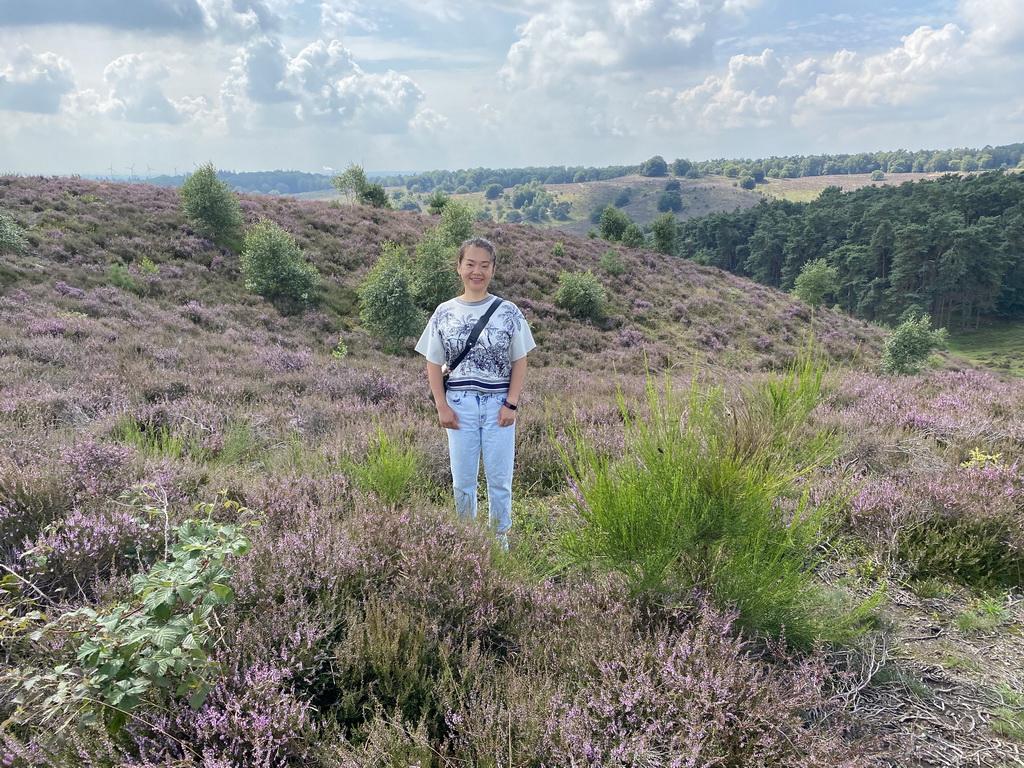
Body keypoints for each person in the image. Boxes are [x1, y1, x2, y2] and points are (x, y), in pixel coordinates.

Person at [415, 237, 536, 550]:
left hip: (499, 406)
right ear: (459, 267)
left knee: (499, 482)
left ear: (493, 269)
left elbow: (520, 360)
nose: (476, 271)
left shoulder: (509, 312)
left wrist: (511, 404)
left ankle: (500, 547)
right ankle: (468, 543)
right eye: (470, 264)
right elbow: (432, 361)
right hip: (459, 406)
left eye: (484, 265)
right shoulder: (444, 312)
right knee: (463, 482)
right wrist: (441, 406)